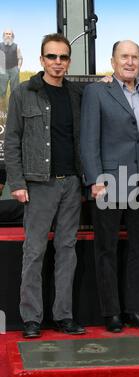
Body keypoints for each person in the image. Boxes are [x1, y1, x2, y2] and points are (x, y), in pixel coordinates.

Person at [4, 33, 86, 338]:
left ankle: (63, 316)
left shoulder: (76, 94)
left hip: (72, 183)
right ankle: (32, 319)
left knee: (67, 250)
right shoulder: (24, 93)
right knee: (34, 251)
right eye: (52, 56)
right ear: (41, 60)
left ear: (68, 61)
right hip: (38, 184)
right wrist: (17, 182)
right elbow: (12, 140)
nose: (58, 62)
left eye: (63, 57)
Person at [80, 40, 139, 333]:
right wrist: (95, 180)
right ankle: (111, 313)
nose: (130, 61)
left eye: (135, 57)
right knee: (106, 250)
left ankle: (135, 310)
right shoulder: (97, 91)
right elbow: (88, 140)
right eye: (124, 56)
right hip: (108, 183)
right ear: (112, 61)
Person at [0, 29, 23, 106]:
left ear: (12, 36)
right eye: (6, 34)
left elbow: (20, 58)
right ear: (3, 35)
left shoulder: (16, 46)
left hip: (14, 69)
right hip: (3, 70)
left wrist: (18, 68)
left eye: (10, 34)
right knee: (2, 90)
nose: (8, 35)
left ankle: (14, 106)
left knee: (15, 89)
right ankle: (2, 107)